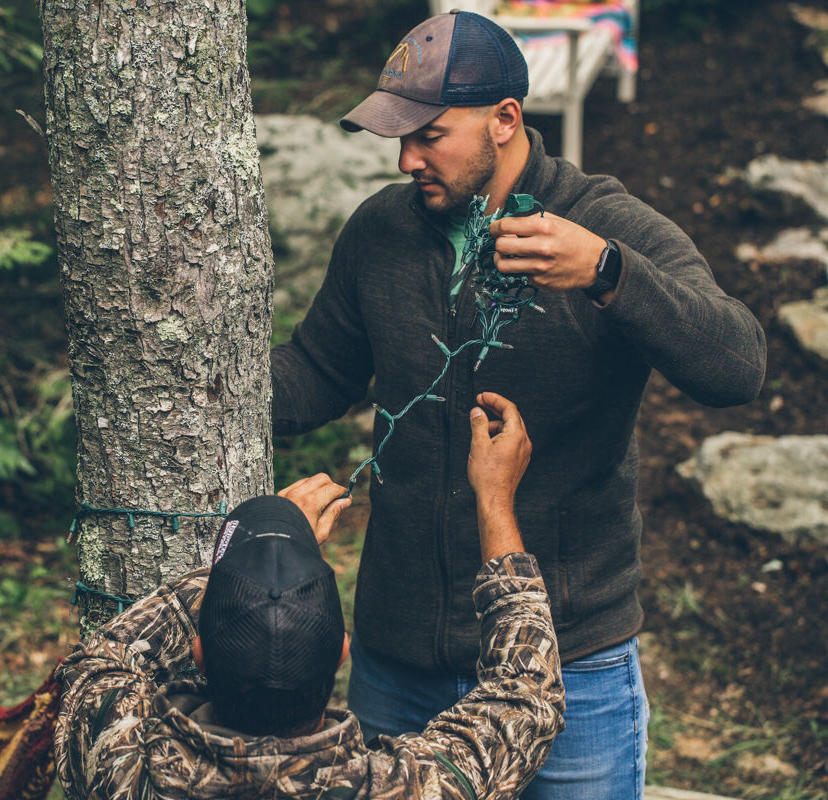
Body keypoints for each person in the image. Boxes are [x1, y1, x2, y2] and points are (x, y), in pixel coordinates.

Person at [269, 10, 766, 800]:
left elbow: (738, 365)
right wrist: (196, 384)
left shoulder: (604, 226)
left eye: (430, 134)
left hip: (570, 672)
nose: (406, 158)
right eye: (398, 136)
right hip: (396, 671)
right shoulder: (382, 232)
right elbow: (319, 372)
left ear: (506, 121)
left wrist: (609, 273)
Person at [55, 393, 562, 800]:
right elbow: (527, 691)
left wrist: (244, 572)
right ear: (342, 654)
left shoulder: (124, 770)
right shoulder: (411, 787)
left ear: (200, 654)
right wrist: (494, 498)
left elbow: (96, 664)